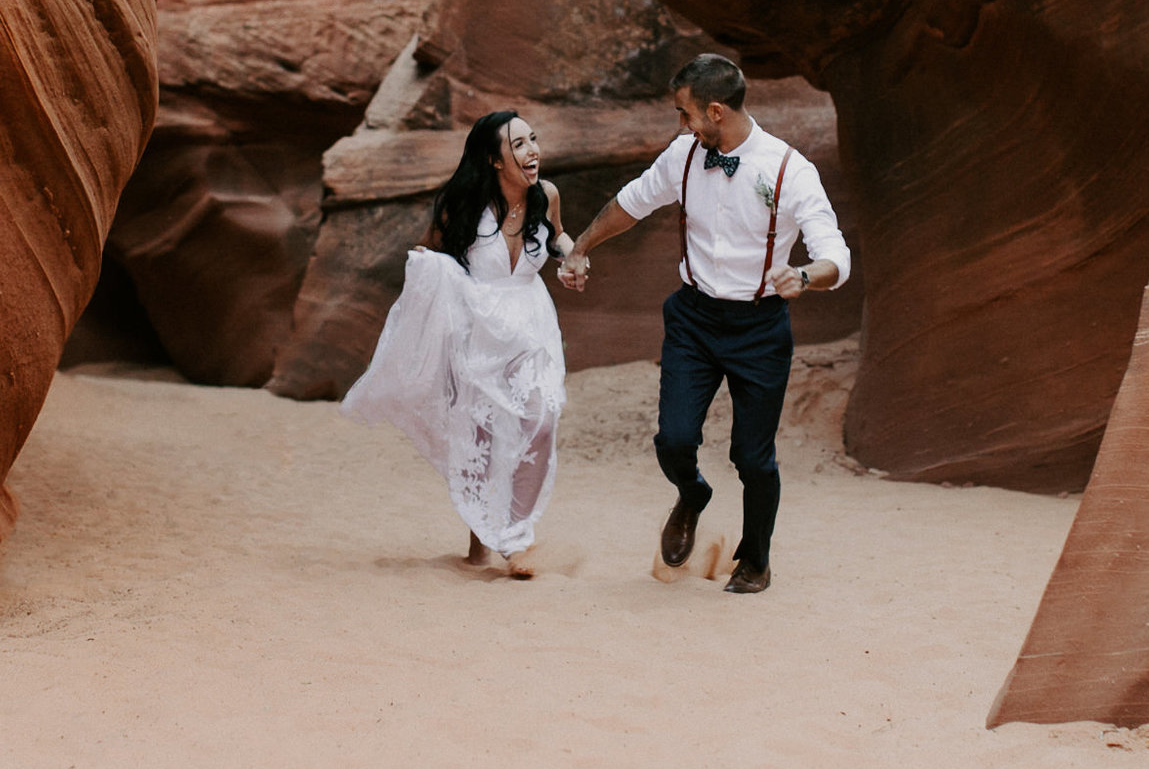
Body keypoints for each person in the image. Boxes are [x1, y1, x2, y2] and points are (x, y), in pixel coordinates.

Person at [557, 54, 849, 593]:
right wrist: (580, 247)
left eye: (685, 114)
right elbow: (633, 202)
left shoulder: (789, 170)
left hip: (760, 327)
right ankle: (692, 493)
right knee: (673, 439)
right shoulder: (685, 155)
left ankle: (755, 559)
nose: (682, 124)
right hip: (693, 318)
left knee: (752, 458)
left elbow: (836, 253)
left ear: (715, 111)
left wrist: (808, 277)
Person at [343, 111, 568, 578]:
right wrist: (426, 266)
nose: (533, 152)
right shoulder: (462, 206)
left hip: (532, 326)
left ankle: (517, 539)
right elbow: (430, 257)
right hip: (478, 332)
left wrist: (573, 255)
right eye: (519, 145)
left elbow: (559, 235)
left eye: (533, 140)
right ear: (494, 160)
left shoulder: (546, 195)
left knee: (540, 417)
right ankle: (481, 540)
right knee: (480, 436)